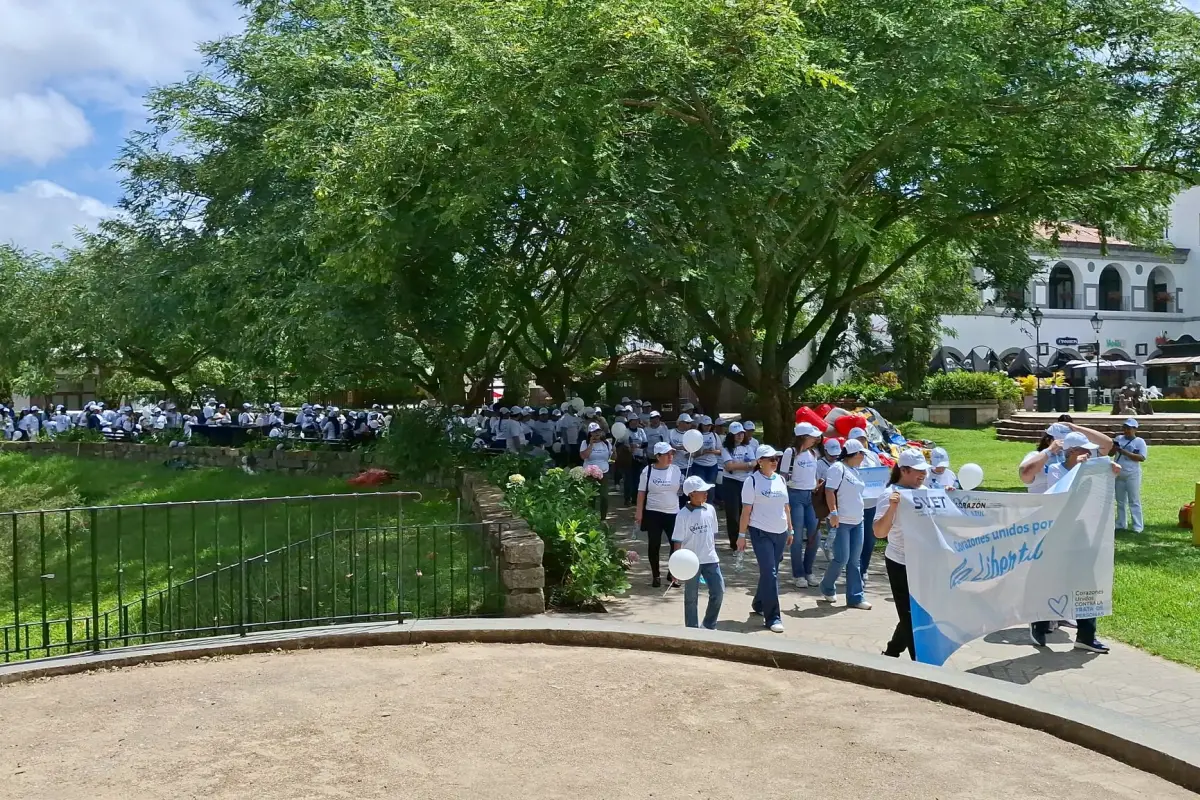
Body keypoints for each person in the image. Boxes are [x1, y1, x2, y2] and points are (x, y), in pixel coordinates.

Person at [1031, 431, 1120, 653]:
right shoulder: (1055, 470)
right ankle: (1039, 624)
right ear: (1071, 453)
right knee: (1054, 582)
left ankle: (1086, 636)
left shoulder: (1090, 470)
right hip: (1057, 534)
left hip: (1083, 533)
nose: (1089, 453)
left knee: (1088, 583)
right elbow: (1060, 495)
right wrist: (1081, 470)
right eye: (1084, 450)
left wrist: (1111, 473)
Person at [872, 449, 932, 659]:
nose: (923, 475)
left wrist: (949, 495)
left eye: (924, 471)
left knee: (919, 611)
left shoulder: (926, 491)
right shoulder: (889, 495)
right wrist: (893, 507)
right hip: (900, 562)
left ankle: (892, 651)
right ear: (904, 470)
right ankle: (921, 663)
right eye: (918, 471)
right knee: (910, 614)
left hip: (923, 562)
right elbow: (879, 532)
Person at [736, 444, 794, 633]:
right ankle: (773, 617)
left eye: (776, 458)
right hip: (760, 532)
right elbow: (746, 511)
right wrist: (741, 536)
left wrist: (791, 530)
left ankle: (759, 602)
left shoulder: (781, 480)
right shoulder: (751, 482)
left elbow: (786, 507)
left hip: (781, 531)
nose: (774, 462)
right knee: (770, 573)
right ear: (760, 462)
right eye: (770, 459)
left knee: (772, 571)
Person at [819, 439, 871, 609]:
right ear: (854, 454)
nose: (863, 457)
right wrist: (833, 513)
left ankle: (856, 597)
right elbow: (829, 491)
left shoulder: (856, 471)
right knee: (842, 558)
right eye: (862, 454)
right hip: (841, 521)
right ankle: (827, 586)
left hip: (858, 520)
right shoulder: (837, 468)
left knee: (854, 560)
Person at [672, 475, 725, 630]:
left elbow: (713, 533)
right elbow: (677, 541)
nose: (706, 493)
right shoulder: (682, 515)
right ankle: (692, 629)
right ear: (691, 494)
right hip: (691, 562)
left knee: (719, 592)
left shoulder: (711, 510)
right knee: (691, 598)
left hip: (710, 559)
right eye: (702, 491)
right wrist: (675, 566)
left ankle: (709, 625)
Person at [635, 442, 683, 587]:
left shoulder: (676, 470)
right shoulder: (648, 470)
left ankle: (673, 573)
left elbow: (680, 490)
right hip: (653, 512)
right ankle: (656, 575)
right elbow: (641, 492)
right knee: (654, 544)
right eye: (667, 454)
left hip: (673, 512)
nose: (670, 457)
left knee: (675, 544)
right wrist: (639, 512)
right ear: (657, 456)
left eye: (672, 453)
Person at [781, 422, 822, 589]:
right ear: (804, 437)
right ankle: (798, 574)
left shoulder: (814, 453)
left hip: (810, 496)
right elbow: (783, 477)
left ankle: (808, 570)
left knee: (815, 536)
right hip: (795, 495)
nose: (816, 439)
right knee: (796, 537)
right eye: (812, 436)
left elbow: (814, 476)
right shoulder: (790, 453)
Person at [1019, 421, 1110, 494]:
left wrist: (1076, 428)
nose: (1064, 444)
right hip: (1040, 509)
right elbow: (1025, 474)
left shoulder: (1078, 453)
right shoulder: (1036, 455)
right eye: (1061, 440)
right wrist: (1049, 450)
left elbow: (1107, 443)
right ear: (1048, 441)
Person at [848, 426, 882, 586]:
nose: (861, 443)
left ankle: (863, 569)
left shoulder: (873, 456)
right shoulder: (847, 460)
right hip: (854, 504)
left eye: (863, 439)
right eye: (857, 441)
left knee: (869, 540)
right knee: (854, 541)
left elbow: (880, 477)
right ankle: (854, 572)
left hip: (871, 504)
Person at [719, 422, 754, 549]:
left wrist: (738, 466)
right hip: (730, 482)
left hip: (745, 482)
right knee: (733, 514)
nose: (739, 436)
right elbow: (729, 466)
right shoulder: (725, 449)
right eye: (736, 434)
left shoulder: (748, 447)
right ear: (731, 435)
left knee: (744, 512)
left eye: (741, 433)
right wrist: (747, 465)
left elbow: (754, 463)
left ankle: (743, 537)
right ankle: (734, 544)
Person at [1113, 418, 1147, 533]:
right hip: (1118, 473)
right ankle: (1121, 523)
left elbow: (1141, 458)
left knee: (1134, 500)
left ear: (1135, 429)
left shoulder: (1139, 442)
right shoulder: (1119, 438)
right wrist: (1114, 447)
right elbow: (1111, 453)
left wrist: (1123, 451)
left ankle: (1138, 526)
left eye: (1129, 428)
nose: (1126, 431)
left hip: (1132, 473)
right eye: (1125, 428)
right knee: (1120, 500)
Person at [580, 422, 613, 520]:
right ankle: (591, 518)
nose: (596, 433)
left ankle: (603, 518)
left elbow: (613, 458)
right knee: (591, 497)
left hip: (604, 472)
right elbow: (583, 456)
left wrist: (614, 452)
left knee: (604, 497)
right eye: (593, 432)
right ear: (590, 433)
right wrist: (591, 444)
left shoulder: (606, 443)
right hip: (589, 473)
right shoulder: (584, 443)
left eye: (598, 431)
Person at [691, 416, 722, 503]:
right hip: (698, 465)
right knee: (699, 487)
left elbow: (720, 451)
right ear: (701, 425)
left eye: (709, 425)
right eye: (705, 425)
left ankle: (709, 505)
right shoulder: (696, 435)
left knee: (711, 487)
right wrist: (702, 452)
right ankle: (699, 503)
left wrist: (713, 451)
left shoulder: (714, 435)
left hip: (712, 466)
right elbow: (691, 454)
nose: (707, 427)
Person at [623, 415, 648, 506]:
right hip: (629, 458)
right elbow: (620, 444)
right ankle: (627, 498)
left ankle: (635, 498)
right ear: (629, 422)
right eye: (632, 421)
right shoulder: (625, 432)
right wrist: (628, 448)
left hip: (639, 458)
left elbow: (645, 443)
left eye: (636, 420)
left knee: (638, 479)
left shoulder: (641, 431)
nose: (634, 422)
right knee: (628, 479)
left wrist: (637, 446)